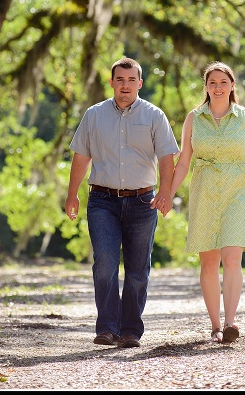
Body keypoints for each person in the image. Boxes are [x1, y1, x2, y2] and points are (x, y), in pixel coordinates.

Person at [65, 57, 179, 349]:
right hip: (102, 200)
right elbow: (81, 156)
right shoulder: (94, 115)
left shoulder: (155, 116)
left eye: (131, 80)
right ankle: (106, 328)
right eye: (120, 80)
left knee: (138, 269)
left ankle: (130, 331)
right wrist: (72, 193)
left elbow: (167, 157)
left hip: (143, 202)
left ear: (139, 84)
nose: (125, 86)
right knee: (104, 263)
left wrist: (165, 191)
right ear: (112, 82)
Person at [168, 61, 245, 344]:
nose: (218, 87)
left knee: (233, 257)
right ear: (206, 87)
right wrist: (166, 193)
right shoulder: (193, 118)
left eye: (223, 82)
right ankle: (215, 325)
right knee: (209, 262)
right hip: (204, 191)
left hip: (238, 191)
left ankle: (231, 322)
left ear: (232, 85)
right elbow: (184, 161)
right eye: (212, 82)